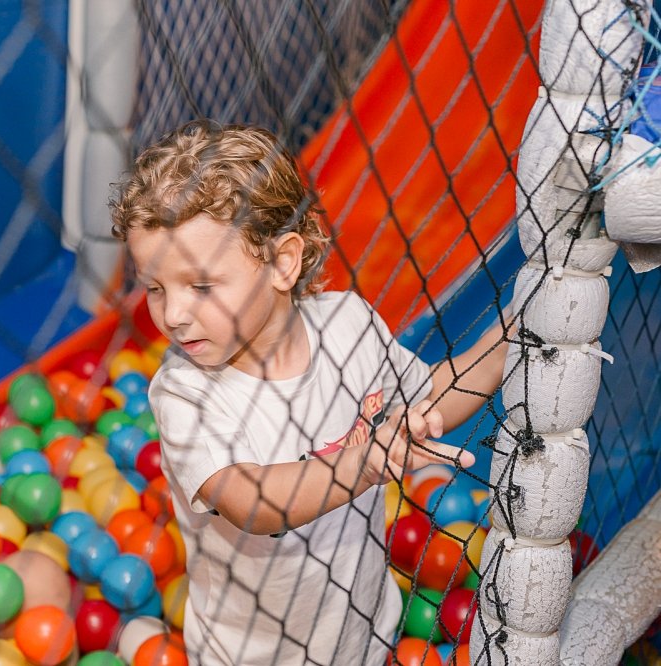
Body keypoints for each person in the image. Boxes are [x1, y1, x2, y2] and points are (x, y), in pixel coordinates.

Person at [109, 120, 507, 665]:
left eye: (200, 286)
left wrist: (496, 352)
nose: (174, 314)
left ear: (282, 262)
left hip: (366, 635)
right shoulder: (185, 393)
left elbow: (429, 398)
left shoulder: (348, 325)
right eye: (155, 288)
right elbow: (251, 503)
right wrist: (367, 462)